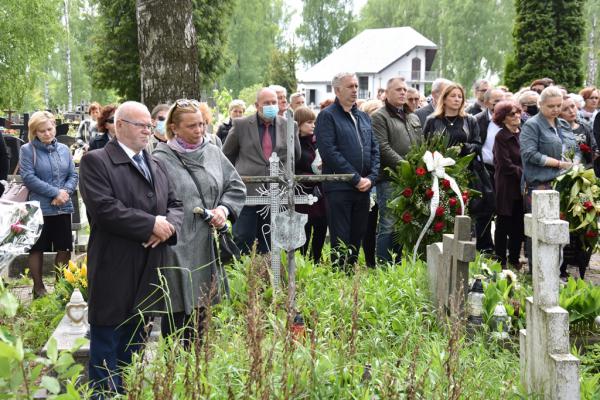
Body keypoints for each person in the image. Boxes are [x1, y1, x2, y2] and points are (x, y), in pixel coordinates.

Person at [79, 101, 183, 395]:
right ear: (120, 125)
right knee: (107, 345)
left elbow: (176, 204)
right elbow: (104, 209)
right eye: (142, 125)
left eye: (151, 126)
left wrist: (167, 228)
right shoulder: (96, 161)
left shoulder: (156, 163)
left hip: (150, 266)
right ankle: (104, 394)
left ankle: (123, 391)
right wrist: (150, 224)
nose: (149, 131)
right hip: (115, 266)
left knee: (133, 345)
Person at [153, 99, 245, 342]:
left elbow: (235, 186)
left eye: (202, 124)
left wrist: (224, 210)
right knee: (177, 308)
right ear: (174, 127)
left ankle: (198, 365)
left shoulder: (213, 152)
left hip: (206, 241)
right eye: (192, 126)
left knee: (203, 307)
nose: (199, 130)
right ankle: (175, 366)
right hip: (176, 243)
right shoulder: (160, 158)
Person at [223, 87, 300, 254]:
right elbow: (226, 155)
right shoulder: (241, 125)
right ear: (257, 105)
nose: (271, 106)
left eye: (274, 102)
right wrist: (233, 181)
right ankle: (243, 275)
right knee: (243, 237)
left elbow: (295, 156)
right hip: (247, 192)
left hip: (276, 192)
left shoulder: (289, 125)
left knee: (271, 240)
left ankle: (268, 276)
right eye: (267, 103)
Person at [315, 72, 379, 269]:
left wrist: (371, 178)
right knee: (341, 238)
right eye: (350, 86)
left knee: (357, 236)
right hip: (340, 188)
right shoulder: (328, 116)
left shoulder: (363, 117)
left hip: (363, 188)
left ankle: (351, 276)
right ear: (337, 90)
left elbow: (374, 149)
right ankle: (338, 277)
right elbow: (329, 152)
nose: (355, 90)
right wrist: (355, 178)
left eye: (356, 86)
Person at [520, 86, 581, 277]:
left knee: (559, 230)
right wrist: (559, 164)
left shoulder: (563, 124)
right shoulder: (532, 125)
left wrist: (575, 164)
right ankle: (537, 273)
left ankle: (556, 271)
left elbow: (575, 148)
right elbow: (529, 154)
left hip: (563, 182)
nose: (555, 109)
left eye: (558, 105)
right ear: (540, 105)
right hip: (540, 184)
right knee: (540, 230)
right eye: (550, 106)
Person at [20, 111, 78, 298]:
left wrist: (65, 192)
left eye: (49, 129)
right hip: (39, 208)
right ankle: (38, 288)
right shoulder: (28, 150)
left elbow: (73, 174)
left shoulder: (63, 149)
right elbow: (28, 177)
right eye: (41, 131)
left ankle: (61, 286)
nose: (47, 133)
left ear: (54, 126)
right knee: (37, 247)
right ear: (34, 132)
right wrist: (55, 192)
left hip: (62, 207)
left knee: (64, 247)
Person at [372, 77, 423, 262]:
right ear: (387, 93)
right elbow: (382, 147)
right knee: (388, 223)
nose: (403, 92)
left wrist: (420, 168)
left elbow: (420, 146)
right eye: (397, 89)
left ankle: (398, 261)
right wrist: (406, 167)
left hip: (412, 180)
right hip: (390, 179)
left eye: (404, 89)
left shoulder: (413, 116)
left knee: (404, 222)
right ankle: (384, 265)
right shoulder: (379, 116)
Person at [492, 101, 524, 269]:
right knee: (504, 222)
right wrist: (525, 173)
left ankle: (514, 258)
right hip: (506, 185)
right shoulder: (501, 136)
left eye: (518, 112)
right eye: (512, 114)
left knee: (519, 223)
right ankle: (500, 260)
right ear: (503, 119)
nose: (517, 116)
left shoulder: (523, 133)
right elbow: (505, 164)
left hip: (522, 185)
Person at [293, 106, 327, 262]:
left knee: (321, 226)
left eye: (314, 122)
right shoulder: (293, 145)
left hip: (320, 192)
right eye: (308, 122)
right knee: (304, 228)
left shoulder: (318, 142)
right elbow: (292, 168)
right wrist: (309, 176)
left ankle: (316, 259)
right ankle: (302, 261)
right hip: (302, 193)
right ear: (298, 124)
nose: (313, 125)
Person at [474, 88, 505, 253]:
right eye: (495, 102)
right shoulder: (478, 120)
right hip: (484, 169)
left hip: (505, 171)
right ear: (486, 103)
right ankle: (484, 246)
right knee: (484, 209)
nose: (499, 105)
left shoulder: (510, 119)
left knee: (503, 209)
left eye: (502, 100)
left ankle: (500, 247)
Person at [422, 83, 481, 155]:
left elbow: (478, 146)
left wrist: (463, 148)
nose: (457, 99)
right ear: (444, 99)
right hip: (440, 164)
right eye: (453, 96)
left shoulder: (470, 120)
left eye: (460, 97)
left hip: (466, 164)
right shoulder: (432, 120)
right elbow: (424, 147)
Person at [358, 99, 383, 268]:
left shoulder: (384, 129)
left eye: (379, 110)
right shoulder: (362, 131)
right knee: (369, 225)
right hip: (370, 182)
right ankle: (370, 261)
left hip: (384, 180)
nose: (376, 113)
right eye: (373, 110)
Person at [560, 94, 598, 171]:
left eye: (572, 106)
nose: (571, 111)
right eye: (565, 109)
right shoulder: (556, 130)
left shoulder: (585, 127)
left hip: (586, 170)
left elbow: (593, 148)